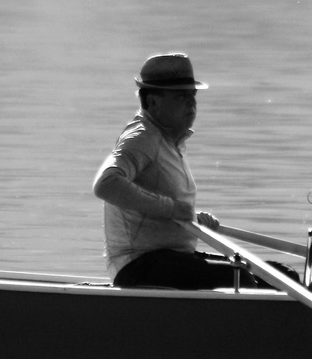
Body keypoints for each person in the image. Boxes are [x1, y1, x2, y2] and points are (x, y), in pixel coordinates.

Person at [92, 52, 250, 289]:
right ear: (153, 103)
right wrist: (172, 208)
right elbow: (106, 184)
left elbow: (160, 208)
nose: (192, 102)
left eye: (193, 95)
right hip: (137, 266)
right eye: (181, 96)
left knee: (280, 274)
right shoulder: (141, 137)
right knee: (241, 279)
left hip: (170, 259)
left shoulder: (168, 141)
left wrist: (194, 218)